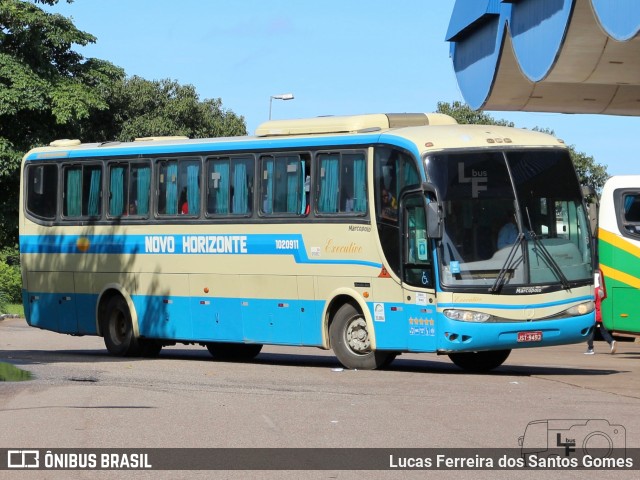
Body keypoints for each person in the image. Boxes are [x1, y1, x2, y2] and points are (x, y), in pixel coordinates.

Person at [585, 280, 616, 354]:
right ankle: (611, 341)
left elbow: (592, 302)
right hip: (604, 315)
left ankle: (590, 348)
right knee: (604, 331)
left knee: (590, 331)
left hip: (596, 314)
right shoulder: (607, 290)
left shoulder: (595, 290)